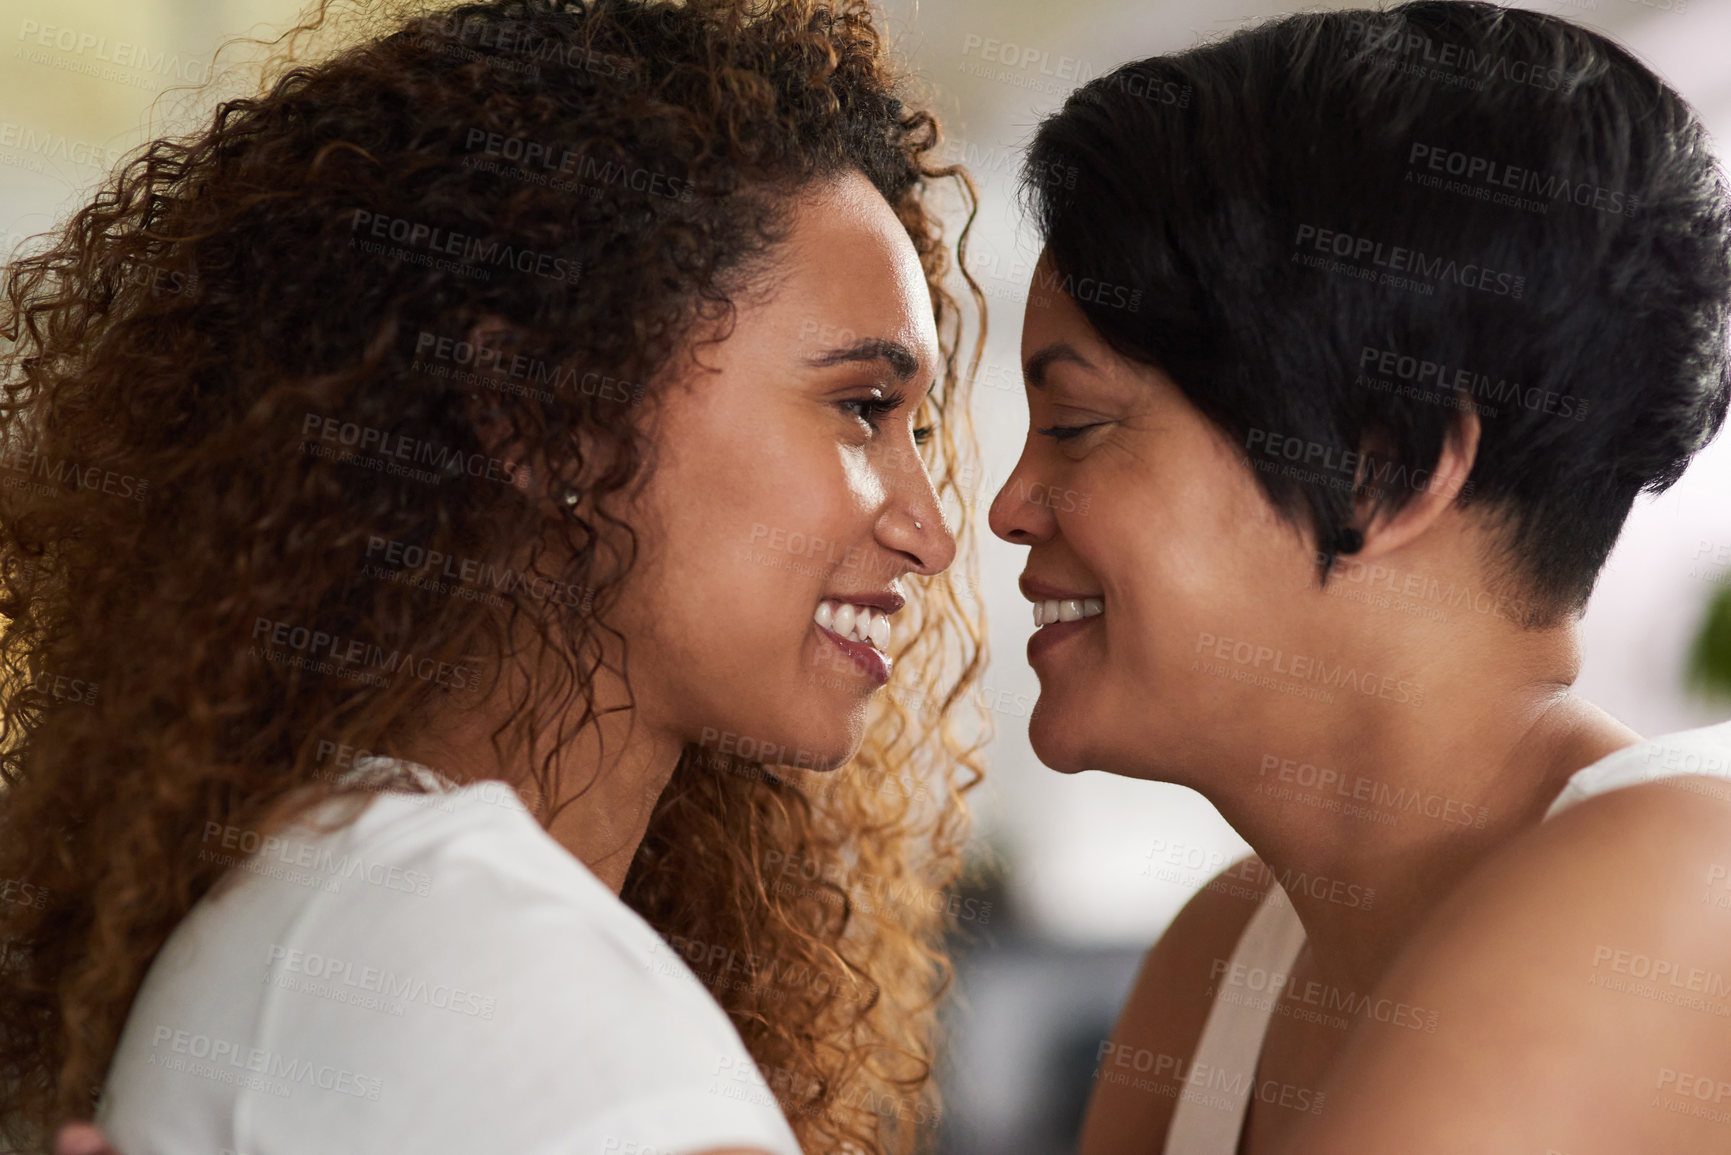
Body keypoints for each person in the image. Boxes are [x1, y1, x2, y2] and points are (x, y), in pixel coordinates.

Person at [0, 1, 992, 1152]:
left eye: (918, 431)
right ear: (545, 415)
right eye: (861, 407)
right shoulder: (503, 967)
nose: (932, 529)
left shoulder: (334, 893)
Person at [986, 2, 1731, 1152]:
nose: (1007, 507)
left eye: (1077, 426)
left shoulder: (1680, 886)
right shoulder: (1223, 962)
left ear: (1384, 467)